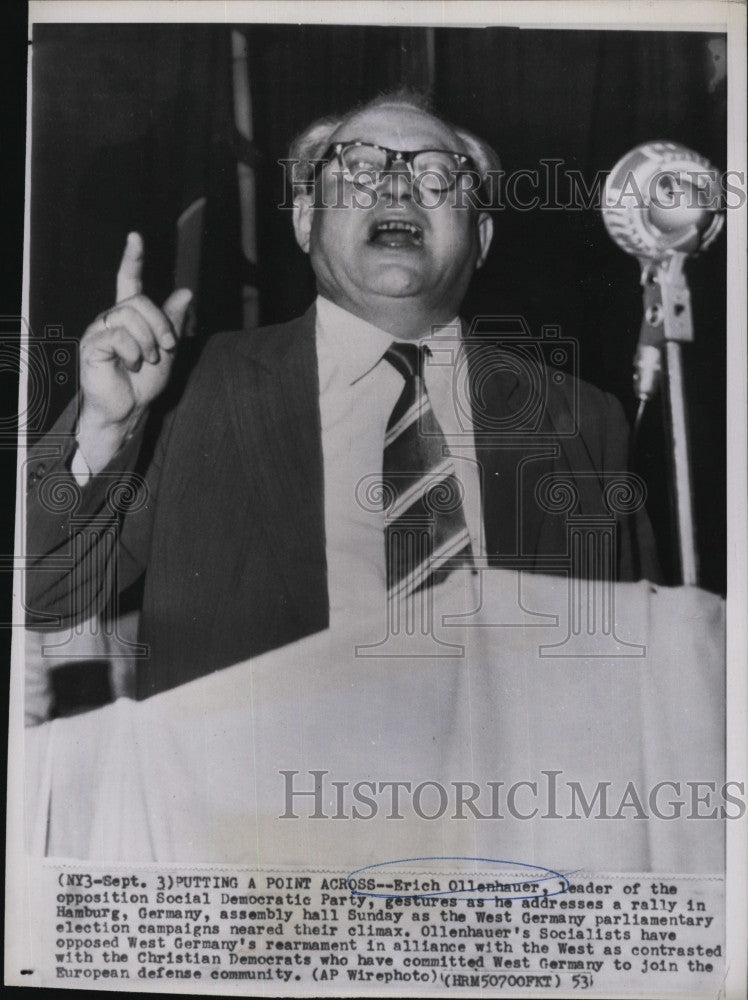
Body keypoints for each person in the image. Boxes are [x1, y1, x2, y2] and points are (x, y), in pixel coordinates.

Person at [26, 91, 658, 698]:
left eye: (439, 176)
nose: (397, 186)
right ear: (305, 221)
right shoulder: (189, 390)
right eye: (358, 169)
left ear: (483, 238)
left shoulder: (581, 418)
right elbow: (43, 593)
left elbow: (636, 671)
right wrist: (106, 429)